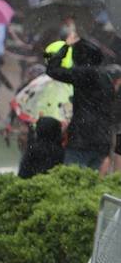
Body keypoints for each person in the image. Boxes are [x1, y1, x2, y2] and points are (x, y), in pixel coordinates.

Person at [46, 36, 115, 169]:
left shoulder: (85, 73)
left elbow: (52, 70)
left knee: (71, 180)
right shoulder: (107, 77)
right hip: (102, 140)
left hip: (82, 139)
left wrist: (65, 47)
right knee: (90, 184)